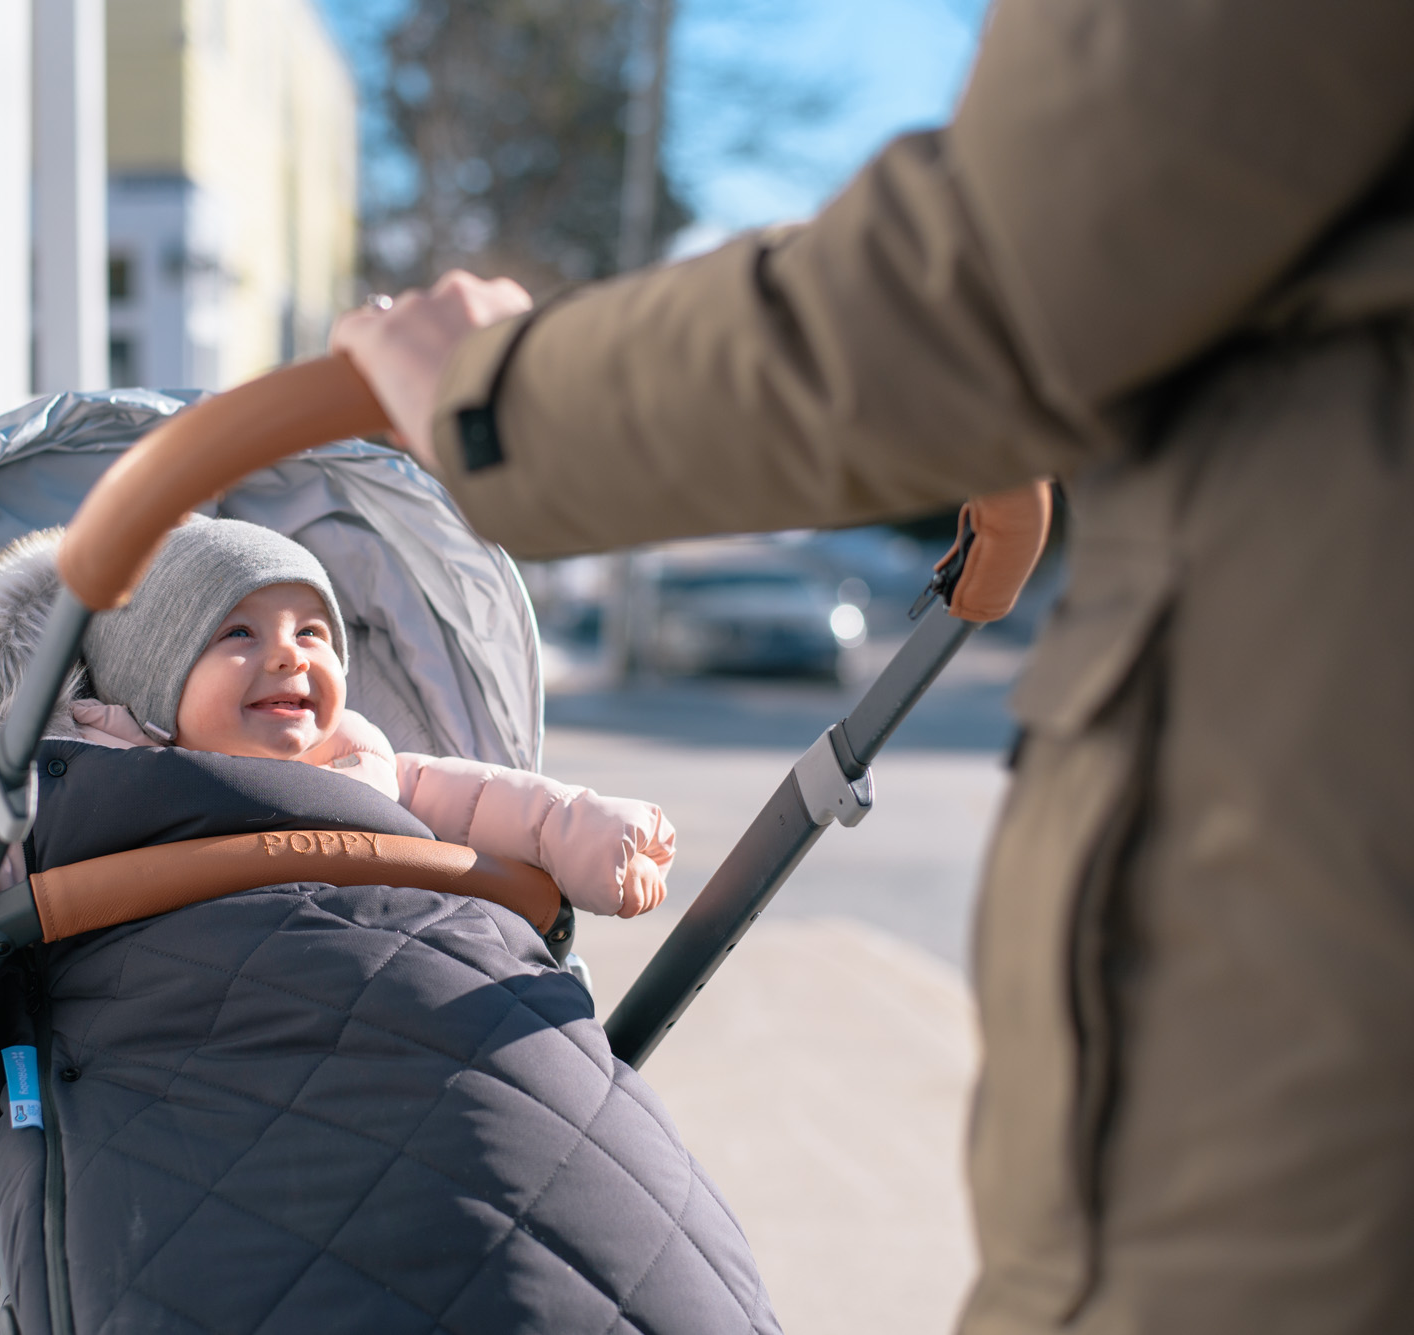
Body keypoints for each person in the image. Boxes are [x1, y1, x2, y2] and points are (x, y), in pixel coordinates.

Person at [331, 4, 1414, 1333]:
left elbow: (996, 279)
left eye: (309, 628)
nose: (292, 662)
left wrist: (496, 393)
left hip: (1318, 838)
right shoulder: (127, 756)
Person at [0, 517, 674, 1074]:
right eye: (239, 633)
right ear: (152, 675)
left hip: (416, 1032)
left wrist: (591, 834)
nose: (292, 655)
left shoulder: (367, 766)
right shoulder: (79, 780)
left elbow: (494, 803)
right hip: (185, 1053)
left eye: (314, 633)